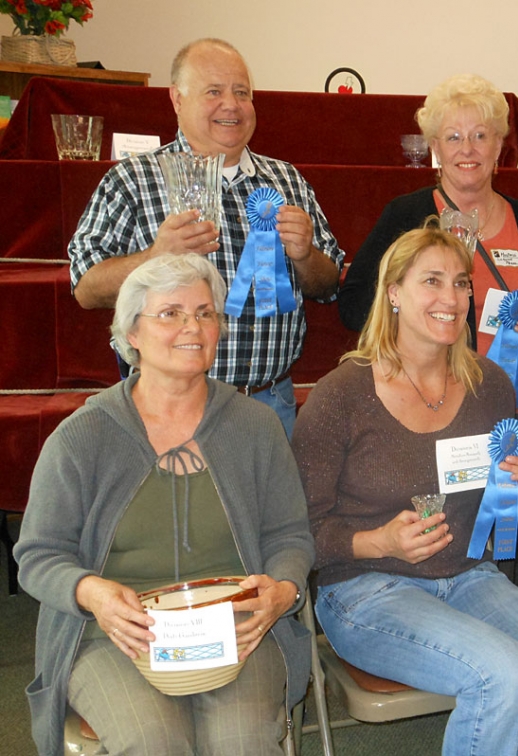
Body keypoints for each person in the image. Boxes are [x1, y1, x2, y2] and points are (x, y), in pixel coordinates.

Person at [293, 223, 518, 756]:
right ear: (393, 293)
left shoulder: (490, 384)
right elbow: (297, 533)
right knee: (500, 674)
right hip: (365, 589)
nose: (451, 298)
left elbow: (496, 503)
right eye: (431, 281)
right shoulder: (339, 395)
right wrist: (379, 542)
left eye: (461, 283)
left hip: (468, 576)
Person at [14, 253, 314, 756]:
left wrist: (283, 590)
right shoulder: (82, 437)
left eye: (204, 313)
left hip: (237, 631)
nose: (192, 327)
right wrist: (92, 593)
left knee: (241, 744)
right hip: (114, 637)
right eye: (170, 313)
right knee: (155, 743)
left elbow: (290, 536)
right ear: (132, 333)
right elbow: (38, 555)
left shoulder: (255, 427)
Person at [68, 38, 343, 437]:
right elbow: (85, 287)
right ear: (177, 99)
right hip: (171, 408)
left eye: (242, 92)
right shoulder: (131, 180)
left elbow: (328, 284)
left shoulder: (288, 181)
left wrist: (304, 256)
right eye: (213, 91)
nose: (230, 105)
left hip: (270, 403)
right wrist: (155, 256)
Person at [338, 74, 518, 450]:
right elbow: (355, 303)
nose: (467, 149)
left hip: (512, 410)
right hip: (429, 404)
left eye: (480, 135)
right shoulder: (406, 214)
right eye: (454, 137)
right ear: (436, 149)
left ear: (498, 146)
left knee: (509, 507)